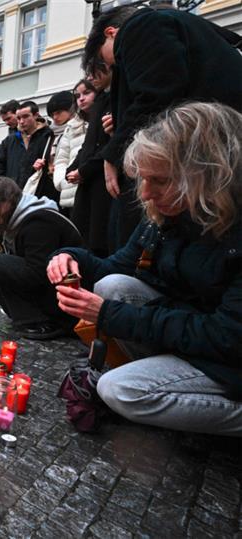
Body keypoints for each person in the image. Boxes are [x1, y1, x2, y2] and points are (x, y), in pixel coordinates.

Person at [48, 102, 242, 435]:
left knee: (119, 390)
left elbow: (226, 336)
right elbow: (115, 268)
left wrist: (108, 315)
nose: (146, 193)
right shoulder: (170, 214)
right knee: (112, 285)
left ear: (208, 176)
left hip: (228, 358)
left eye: (160, 180)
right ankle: (161, 374)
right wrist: (69, 256)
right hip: (191, 336)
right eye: (144, 179)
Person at [83, 5, 242, 248]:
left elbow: (155, 97)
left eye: (104, 59)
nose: (112, 67)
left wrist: (112, 153)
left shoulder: (141, 26)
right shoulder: (181, 24)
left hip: (196, 161)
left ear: (111, 33)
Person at [0, 177, 81, 339]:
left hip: (64, 299)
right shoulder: (21, 220)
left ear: (6, 203)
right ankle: (28, 319)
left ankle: (40, 322)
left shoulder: (38, 223)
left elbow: (37, 273)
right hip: (53, 289)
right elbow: (18, 259)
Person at [69, 73, 113, 257]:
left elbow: (105, 148)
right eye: (77, 96)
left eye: (86, 93)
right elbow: (86, 148)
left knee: (98, 240)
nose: (81, 99)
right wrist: (72, 169)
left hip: (102, 184)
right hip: (87, 184)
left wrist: (82, 171)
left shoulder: (106, 112)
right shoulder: (90, 120)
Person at [0, 101, 56, 200]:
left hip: (43, 194)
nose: (21, 121)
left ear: (36, 115)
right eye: (18, 118)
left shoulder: (49, 135)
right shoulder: (9, 141)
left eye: (25, 117)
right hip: (15, 195)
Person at [50, 89, 86, 217]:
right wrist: (61, 181)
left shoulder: (83, 124)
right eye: (52, 114)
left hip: (85, 185)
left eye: (59, 112)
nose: (55, 117)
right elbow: (61, 160)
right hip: (67, 189)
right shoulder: (64, 131)